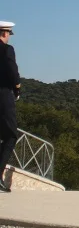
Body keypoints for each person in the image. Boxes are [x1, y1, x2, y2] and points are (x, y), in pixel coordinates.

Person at [0, 21, 20, 193]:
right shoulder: (7, 49)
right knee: (10, 136)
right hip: (3, 95)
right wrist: (17, 87)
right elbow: (12, 70)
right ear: (5, 33)